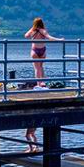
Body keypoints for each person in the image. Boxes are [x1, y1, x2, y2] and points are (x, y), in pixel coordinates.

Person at [24, 17, 62, 150]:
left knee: (37, 68)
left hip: (34, 49)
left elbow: (26, 35)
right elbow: (49, 37)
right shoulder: (43, 30)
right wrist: (59, 40)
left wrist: (32, 29)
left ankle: (39, 84)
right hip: (43, 50)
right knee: (41, 67)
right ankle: (42, 84)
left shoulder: (34, 30)